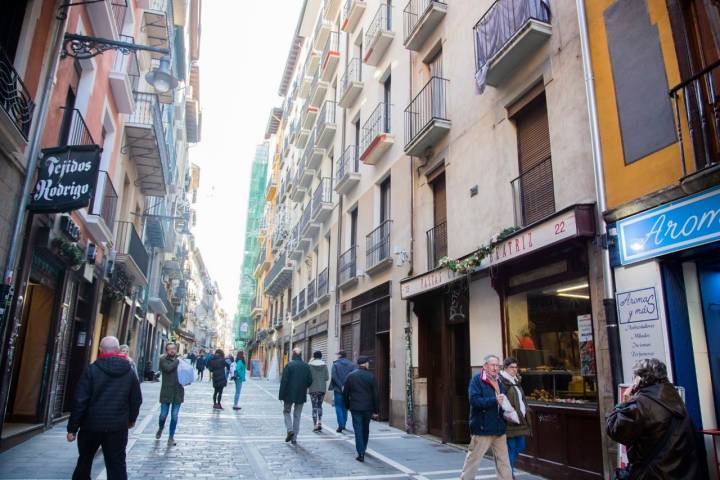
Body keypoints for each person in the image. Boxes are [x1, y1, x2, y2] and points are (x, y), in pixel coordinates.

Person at [606, 358, 701, 479]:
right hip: (679, 471)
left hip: (654, 473)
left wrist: (624, 404)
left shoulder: (640, 404)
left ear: (639, 379)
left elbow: (614, 429)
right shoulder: (672, 396)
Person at [67, 336, 142, 480]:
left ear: (100, 350)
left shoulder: (92, 370)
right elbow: (136, 399)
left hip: (91, 426)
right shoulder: (129, 372)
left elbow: (80, 401)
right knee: (117, 465)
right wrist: (131, 419)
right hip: (117, 427)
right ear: (118, 350)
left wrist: (72, 428)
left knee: (85, 461)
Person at [460, 354, 512, 480]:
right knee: (473, 461)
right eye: (492, 365)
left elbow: (503, 401)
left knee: (504, 463)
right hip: (483, 428)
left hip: (499, 428)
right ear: (485, 366)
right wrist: (494, 400)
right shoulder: (477, 380)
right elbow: (474, 401)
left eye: (497, 365)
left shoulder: (499, 381)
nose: (495, 368)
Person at [499, 357, 531, 478]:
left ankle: (506, 469)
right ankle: (509, 475)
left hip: (520, 420)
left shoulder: (516, 381)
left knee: (520, 446)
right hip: (509, 421)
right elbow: (502, 401)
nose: (514, 370)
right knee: (511, 450)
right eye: (511, 367)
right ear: (505, 368)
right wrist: (510, 412)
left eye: (516, 367)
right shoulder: (502, 382)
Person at [342, 355, 378, 462]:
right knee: (365, 429)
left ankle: (360, 452)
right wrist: (376, 410)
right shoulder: (371, 376)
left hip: (355, 407)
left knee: (358, 429)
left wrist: (347, 405)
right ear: (366, 363)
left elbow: (345, 393)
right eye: (368, 362)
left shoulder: (350, 376)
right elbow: (376, 395)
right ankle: (364, 447)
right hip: (368, 408)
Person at [279, 347, 312, 445]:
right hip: (301, 394)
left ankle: (290, 430)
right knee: (297, 415)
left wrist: (281, 395)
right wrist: (304, 387)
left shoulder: (289, 365)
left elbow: (284, 381)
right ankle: (294, 438)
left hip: (288, 394)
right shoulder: (306, 366)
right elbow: (310, 380)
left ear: (293, 354)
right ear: (301, 355)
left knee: (286, 411)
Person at [156, 343, 184, 446]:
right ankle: (160, 428)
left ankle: (171, 437)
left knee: (174, 416)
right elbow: (168, 369)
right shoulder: (163, 360)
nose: (172, 350)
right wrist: (177, 361)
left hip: (178, 392)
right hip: (166, 392)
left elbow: (186, 372)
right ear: (167, 351)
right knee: (163, 415)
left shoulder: (181, 361)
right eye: (170, 349)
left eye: (174, 349)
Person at [329, 350, 355, 433]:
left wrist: (341, 386)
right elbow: (353, 376)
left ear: (340, 355)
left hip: (338, 390)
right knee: (345, 407)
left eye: (337, 354)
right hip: (348, 390)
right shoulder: (351, 364)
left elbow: (334, 376)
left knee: (338, 407)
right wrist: (347, 386)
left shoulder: (335, 364)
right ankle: (343, 424)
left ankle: (341, 424)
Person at [308, 350, 329, 432]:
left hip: (313, 389)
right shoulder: (324, 365)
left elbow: (308, 378)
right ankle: (320, 422)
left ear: (314, 356)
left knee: (314, 407)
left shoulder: (310, 366)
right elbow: (327, 378)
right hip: (322, 389)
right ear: (321, 356)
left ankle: (315, 425)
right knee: (320, 406)